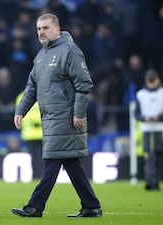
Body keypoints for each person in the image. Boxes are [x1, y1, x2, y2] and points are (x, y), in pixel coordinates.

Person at [11, 13, 102, 218]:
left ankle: (34, 206)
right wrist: (20, 111)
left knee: (51, 161)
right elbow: (31, 87)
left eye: (46, 28)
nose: (42, 32)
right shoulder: (41, 55)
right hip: (51, 119)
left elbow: (84, 84)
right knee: (71, 163)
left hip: (66, 117)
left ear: (57, 29)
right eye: (39, 29)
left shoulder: (70, 51)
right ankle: (91, 206)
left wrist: (78, 113)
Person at [135, 69, 163, 190]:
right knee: (150, 155)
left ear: (158, 80)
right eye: (149, 81)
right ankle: (150, 181)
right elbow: (136, 114)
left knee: (160, 156)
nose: (151, 84)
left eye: (153, 81)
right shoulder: (140, 94)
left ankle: (156, 180)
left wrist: (159, 117)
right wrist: (145, 118)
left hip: (161, 129)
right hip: (147, 129)